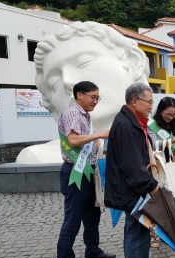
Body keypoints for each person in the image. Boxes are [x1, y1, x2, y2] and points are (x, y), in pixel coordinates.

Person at [19, 21, 149, 164]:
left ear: (133, 63)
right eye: (55, 81)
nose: (67, 81)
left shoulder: (154, 139)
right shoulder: (38, 157)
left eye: (83, 62)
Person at [105, 82, 161, 258]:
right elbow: (132, 165)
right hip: (132, 190)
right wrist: (151, 187)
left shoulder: (131, 121)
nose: (151, 106)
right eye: (149, 102)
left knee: (140, 231)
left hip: (133, 188)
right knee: (136, 233)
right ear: (135, 101)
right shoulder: (127, 125)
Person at [54, 81, 115, 258]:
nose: (96, 101)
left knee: (92, 214)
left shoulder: (85, 116)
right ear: (80, 95)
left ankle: (92, 250)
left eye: (98, 98)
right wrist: (99, 134)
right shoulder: (73, 113)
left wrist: (96, 142)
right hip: (75, 172)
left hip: (87, 171)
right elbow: (73, 140)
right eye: (93, 97)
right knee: (73, 218)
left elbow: (85, 140)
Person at [147, 97, 175, 248]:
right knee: (156, 202)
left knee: (170, 203)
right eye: (168, 114)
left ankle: (168, 233)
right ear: (160, 111)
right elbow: (151, 145)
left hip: (171, 166)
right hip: (157, 168)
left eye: (174, 115)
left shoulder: (173, 125)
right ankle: (153, 235)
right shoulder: (151, 125)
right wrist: (171, 142)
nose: (170, 117)